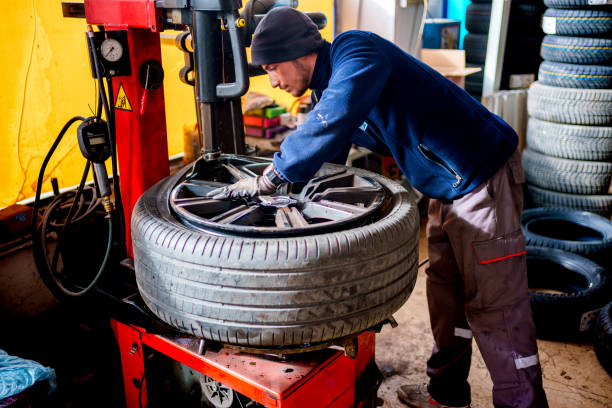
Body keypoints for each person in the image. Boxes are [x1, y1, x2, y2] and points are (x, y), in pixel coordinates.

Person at [208, 7, 548, 408]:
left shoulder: (357, 52)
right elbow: (326, 154)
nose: (273, 80)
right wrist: (284, 203)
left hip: (482, 176)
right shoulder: (329, 88)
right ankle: (447, 393)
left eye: (272, 67)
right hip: (446, 187)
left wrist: (271, 176)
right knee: (446, 295)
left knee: (496, 310)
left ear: (298, 52)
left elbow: (332, 119)